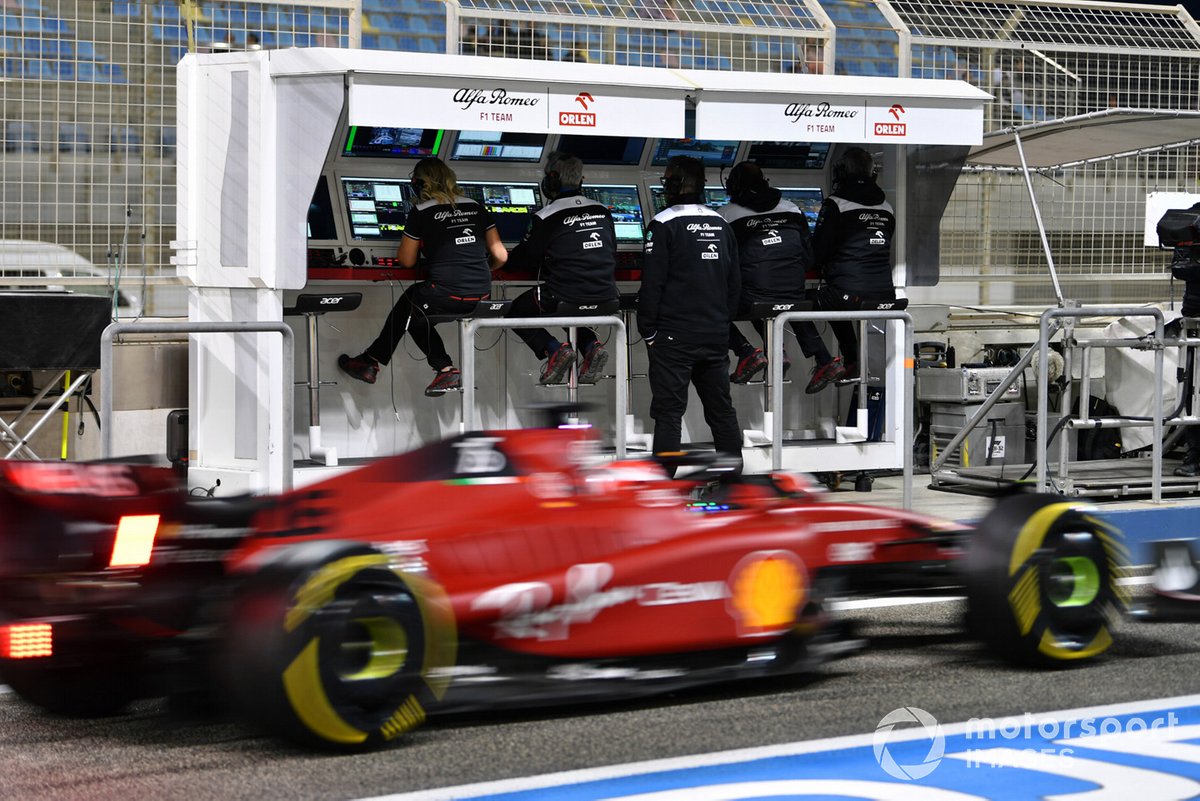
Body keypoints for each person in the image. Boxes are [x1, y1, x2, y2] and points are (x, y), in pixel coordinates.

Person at [338, 158, 507, 397]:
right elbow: (501, 255)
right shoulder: (477, 207)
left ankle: (373, 361)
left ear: (419, 183)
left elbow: (406, 261)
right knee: (415, 317)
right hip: (482, 294)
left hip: (447, 295)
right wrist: (478, 269)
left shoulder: (421, 211)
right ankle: (441, 368)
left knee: (411, 303)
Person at [639, 155, 742, 473]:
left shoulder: (662, 223)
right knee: (721, 410)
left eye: (667, 178)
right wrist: (722, 324)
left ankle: (662, 488)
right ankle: (732, 479)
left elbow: (652, 283)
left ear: (675, 183)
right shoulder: (721, 223)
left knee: (669, 412)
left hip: (674, 336)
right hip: (713, 334)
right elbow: (734, 283)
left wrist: (649, 332)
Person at [505, 152, 618, 384]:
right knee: (569, 304)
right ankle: (590, 345)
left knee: (515, 310)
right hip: (607, 295)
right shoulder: (603, 211)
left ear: (552, 179)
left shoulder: (546, 216)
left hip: (564, 294)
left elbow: (524, 259)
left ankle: (554, 349)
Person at [802, 146, 897, 387]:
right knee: (834, 299)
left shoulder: (836, 204)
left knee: (799, 300)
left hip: (849, 294)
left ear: (841, 172)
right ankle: (852, 359)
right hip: (885, 295)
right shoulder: (887, 207)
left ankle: (825, 360)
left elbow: (818, 252)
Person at [718, 161, 817, 388]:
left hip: (756, 298)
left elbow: (720, 262)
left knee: (713, 303)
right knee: (765, 293)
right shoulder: (792, 208)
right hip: (794, 296)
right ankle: (805, 354)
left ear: (733, 187)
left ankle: (746, 352)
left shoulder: (726, 214)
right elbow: (809, 257)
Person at [1169, 201, 1200, 477]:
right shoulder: (1192, 217)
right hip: (1195, 321)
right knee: (1194, 394)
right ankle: (1195, 457)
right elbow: (1181, 267)